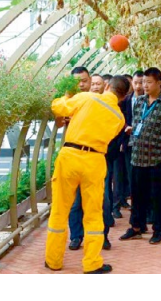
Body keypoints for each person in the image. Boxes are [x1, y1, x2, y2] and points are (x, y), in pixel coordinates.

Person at [44, 75, 130, 274]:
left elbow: (58, 107)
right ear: (124, 97)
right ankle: (92, 263)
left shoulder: (87, 97)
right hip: (95, 161)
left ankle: (54, 260)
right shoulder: (119, 118)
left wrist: (66, 96)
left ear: (107, 86)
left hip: (70, 156)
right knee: (93, 214)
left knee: (60, 210)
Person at [120, 68, 161, 244]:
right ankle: (136, 227)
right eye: (143, 82)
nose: (145, 85)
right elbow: (137, 123)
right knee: (137, 195)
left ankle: (158, 229)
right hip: (137, 156)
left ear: (159, 83)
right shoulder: (139, 102)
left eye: (149, 82)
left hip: (157, 158)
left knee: (157, 196)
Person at [65, 67, 92, 252]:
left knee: (95, 201)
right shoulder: (68, 102)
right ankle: (76, 236)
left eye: (84, 80)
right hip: (72, 156)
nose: (81, 84)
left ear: (90, 80)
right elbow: (59, 121)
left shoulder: (97, 101)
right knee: (74, 202)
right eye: (77, 82)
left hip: (93, 156)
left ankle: (99, 236)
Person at [113, 70, 145, 218]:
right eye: (136, 83)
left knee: (139, 177)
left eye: (141, 83)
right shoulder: (125, 101)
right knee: (122, 175)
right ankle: (117, 205)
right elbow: (119, 118)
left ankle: (141, 208)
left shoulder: (150, 101)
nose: (138, 86)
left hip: (144, 145)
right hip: (126, 143)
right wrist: (125, 128)